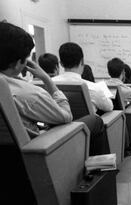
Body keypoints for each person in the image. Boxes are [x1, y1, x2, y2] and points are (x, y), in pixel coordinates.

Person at [0, 22, 109, 156]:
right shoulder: (30, 94)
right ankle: (101, 171)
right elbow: (65, 116)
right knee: (95, 120)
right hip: (40, 153)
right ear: (18, 63)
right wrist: (46, 79)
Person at [53, 42, 113, 113]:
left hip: (58, 123)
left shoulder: (49, 84)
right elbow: (109, 107)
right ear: (82, 61)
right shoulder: (93, 88)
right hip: (86, 123)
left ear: (61, 64)